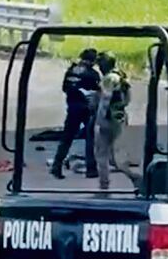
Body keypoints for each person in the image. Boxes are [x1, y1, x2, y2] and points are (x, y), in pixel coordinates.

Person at [50, 49, 101, 180]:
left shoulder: (71, 71)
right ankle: (91, 169)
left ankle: (56, 165)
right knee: (91, 138)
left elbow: (65, 88)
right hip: (86, 109)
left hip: (72, 107)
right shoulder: (92, 74)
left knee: (67, 138)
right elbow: (98, 92)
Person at [94, 53, 140, 190]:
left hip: (108, 119)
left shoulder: (109, 79)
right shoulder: (121, 76)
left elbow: (105, 101)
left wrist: (98, 120)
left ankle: (104, 185)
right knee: (115, 157)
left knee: (102, 154)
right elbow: (127, 99)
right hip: (119, 117)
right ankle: (134, 178)